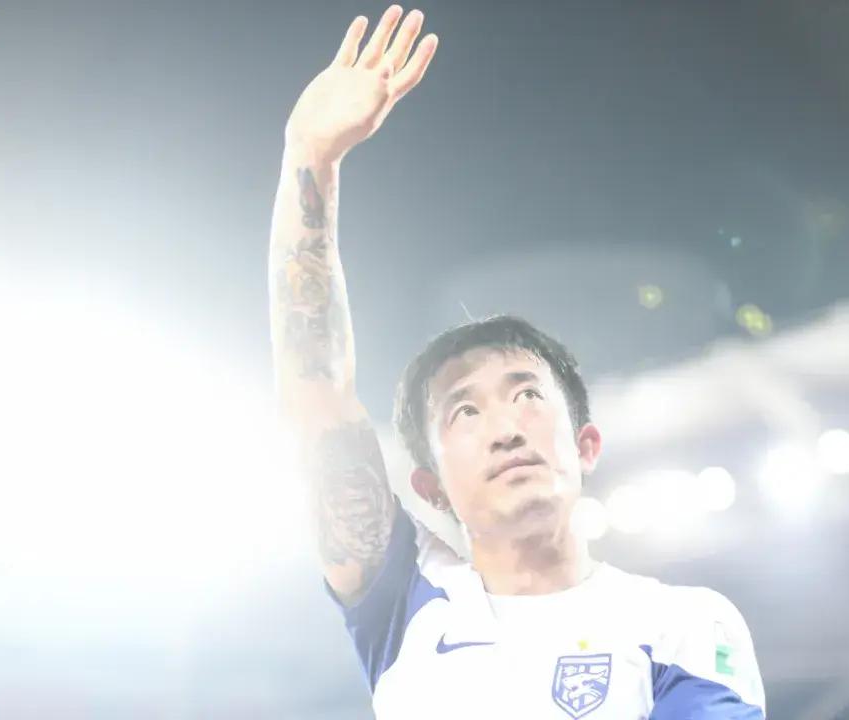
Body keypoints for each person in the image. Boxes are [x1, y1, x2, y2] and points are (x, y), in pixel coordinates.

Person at [269, 5, 766, 718]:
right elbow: (315, 393)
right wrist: (310, 160)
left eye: (527, 396)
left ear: (586, 443)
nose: (504, 429)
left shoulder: (683, 624)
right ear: (429, 487)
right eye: (464, 412)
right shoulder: (404, 601)